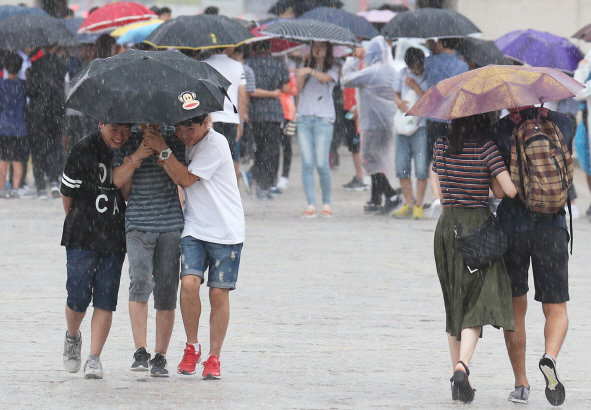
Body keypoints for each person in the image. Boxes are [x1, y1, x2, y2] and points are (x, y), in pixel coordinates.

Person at [142, 114, 244, 380]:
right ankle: (192, 346)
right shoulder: (181, 144)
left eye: (191, 128)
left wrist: (162, 148)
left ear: (206, 122)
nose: (185, 135)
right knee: (188, 284)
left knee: (218, 294)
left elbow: (185, 179)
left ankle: (214, 357)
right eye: (179, 128)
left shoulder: (215, 144)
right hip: (195, 227)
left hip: (226, 231)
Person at [431, 113, 516, 403]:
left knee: (455, 301)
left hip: (446, 228)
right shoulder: (486, 147)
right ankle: (462, 367)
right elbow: (509, 190)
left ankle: (458, 384)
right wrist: (492, 176)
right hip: (477, 228)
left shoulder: (441, 145)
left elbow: (439, 189)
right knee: (477, 302)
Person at [490, 107, 573, 406]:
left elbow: (500, 191)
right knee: (556, 306)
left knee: (516, 307)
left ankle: (521, 383)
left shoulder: (499, 129)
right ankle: (549, 357)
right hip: (551, 226)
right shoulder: (564, 122)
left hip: (513, 228)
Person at [112, 124, 186, 377]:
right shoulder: (129, 139)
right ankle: (140, 350)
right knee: (140, 281)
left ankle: (161, 356)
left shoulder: (173, 138)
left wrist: (162, 150)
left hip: (170, 224)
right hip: (138, 224)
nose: (148, 123)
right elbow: (122, 187)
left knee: (166, 290)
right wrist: (137, 157)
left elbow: (181, 179)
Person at [60, 122, 132, 379]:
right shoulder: (83, 149)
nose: (120, 135)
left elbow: (127, 193)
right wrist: (77, 220)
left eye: (126, 130)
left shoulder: (130, 148)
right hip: (81, 234)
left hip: (114, 236)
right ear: (101, 123)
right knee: (77, 297)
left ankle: (94, 357)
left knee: (106, 298)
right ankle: (72, 336)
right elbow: (67, 192)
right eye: (114, 129)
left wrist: (133, 161)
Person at [342, 36, 399, 215]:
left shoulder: (373, 71)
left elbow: (347, 80)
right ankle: (375, 200)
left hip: (372, 123)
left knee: (368, 160)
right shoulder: (391, 70)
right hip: (388, 123)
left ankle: (391, 195)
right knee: (378, 160)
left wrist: (353, 59)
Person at [295, 41, 340, 217]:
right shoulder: (305, 65)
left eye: (321, 46)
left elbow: (326, 79)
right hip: (304, 119)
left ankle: (326, 202)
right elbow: (297, 89)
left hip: (324, 120)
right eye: (315, 46)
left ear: (328, 49)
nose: (317, 50)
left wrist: (311, 71)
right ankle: (311, 203)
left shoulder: (334, 67)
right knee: (307, 162)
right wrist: (304, 69)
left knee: (322, 163)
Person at [424, 39, 468, 215]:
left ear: (440, 43)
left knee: (435, 157)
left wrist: (434, 50)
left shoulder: (429, 61)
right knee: (453, 156)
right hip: (453, 117)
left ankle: (436, 197)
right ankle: (453, 195)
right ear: (457, 45)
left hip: (434, 114)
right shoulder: (462, 66)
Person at [243, 40, 290, 200]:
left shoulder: (247, 64)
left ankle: (257, 178)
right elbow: (286, 88)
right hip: (274, 113)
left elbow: (249, 91)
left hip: (256, 113)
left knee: (260, 148)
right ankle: (265, 183)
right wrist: (273, 91)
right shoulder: (279, 63)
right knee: (272, 150)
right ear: (270, 48)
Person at [26, 44, 68, 199]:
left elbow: (29, 90)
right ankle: (55, 180)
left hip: (37, 114)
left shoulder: (35, 66)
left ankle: (41, 188)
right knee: (54, 147)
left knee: (38, 150)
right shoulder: (62, 65)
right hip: (56, 112)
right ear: (57, 46)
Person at [393, 47, 429, 219]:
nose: (415, 71)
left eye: (417, 67)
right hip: (402, 125)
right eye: (412, 67)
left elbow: (429, 101)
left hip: (420, 125)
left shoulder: (428, 75)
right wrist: (399, 102)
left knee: (422, 168)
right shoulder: (401, 73)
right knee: (402, 166)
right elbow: (396, 94)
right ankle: (408, 201)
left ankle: (419, 204)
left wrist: (415, 86)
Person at [204, 47, 248, 182]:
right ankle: (231, 196)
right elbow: (242, 97)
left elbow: (204, 94)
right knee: (230, 161)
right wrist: (240, 122)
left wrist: (207, 117)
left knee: (211, 162)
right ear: (229, 47)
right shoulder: (238, 66)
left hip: (212, 119)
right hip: (231, 120)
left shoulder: (204, 64)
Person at [0, 53, 29, 199]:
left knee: (3, 158)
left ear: (5, 67)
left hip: (4, 125)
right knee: (18, 159)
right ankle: (16, 188)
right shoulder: (23, 85)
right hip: (20, 127)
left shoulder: (2, 84)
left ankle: (2, 188)